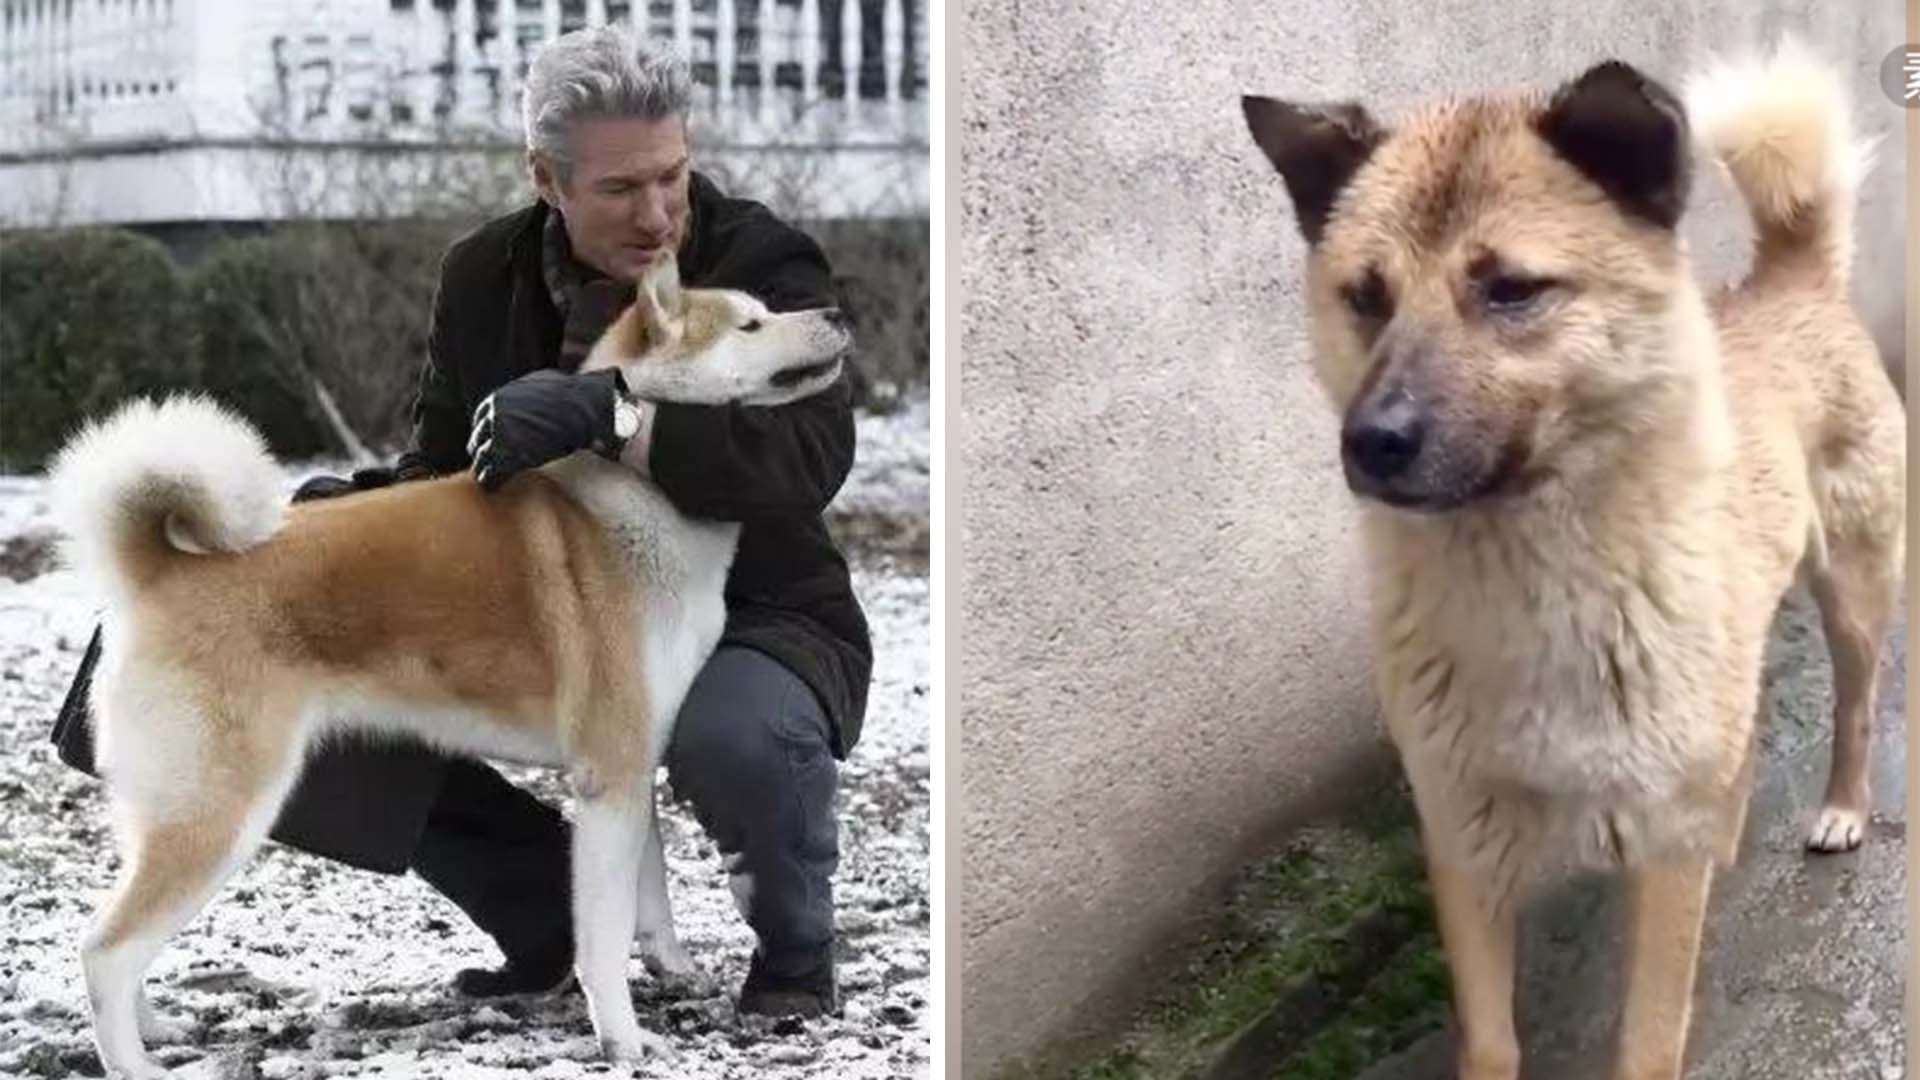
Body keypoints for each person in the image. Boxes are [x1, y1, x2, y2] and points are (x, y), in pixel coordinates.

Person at [51, 25, 870, 1019]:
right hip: (554, 610)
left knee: (736, 732)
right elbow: (443, 469)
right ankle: (542, 910)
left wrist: (615, 414)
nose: (657, 212)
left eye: (673, 176)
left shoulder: (756, 258)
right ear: (546, 178)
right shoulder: (484, 273)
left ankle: (793, 952)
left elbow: (810, 460)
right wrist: (324, 537)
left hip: (753, 613)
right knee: (273, 647)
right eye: (620, 189)